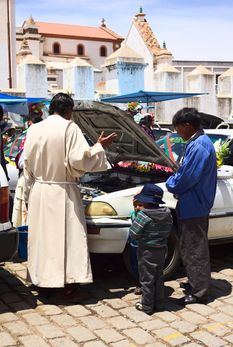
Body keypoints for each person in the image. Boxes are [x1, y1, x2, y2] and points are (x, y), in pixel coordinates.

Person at [23, 93, 117, 301]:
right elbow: (78, 161)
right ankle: (67, 284)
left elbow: (26, 162)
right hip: (62, 191)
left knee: (43, 239)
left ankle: (43, 283)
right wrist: (99, 147)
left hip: (39, 190)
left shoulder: (34, 128)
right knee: (67, 238)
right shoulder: (69, 127)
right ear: (69, 111)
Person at [166, 107, 217, 305]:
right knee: (189, 246)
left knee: (195, 248)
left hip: (195, 204)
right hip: (192, 203)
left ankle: (199, 292)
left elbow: (186, 177)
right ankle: (196, 283)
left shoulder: (199, 146)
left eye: (178, 128)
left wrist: (171, 183)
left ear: (187, 125)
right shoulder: (196, 143)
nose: (177, 132)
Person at [129, 183, 173, 315]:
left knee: (146, 278)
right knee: (159, 276)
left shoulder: (143, 215)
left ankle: (147, 305)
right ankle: (160, 303)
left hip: (146, 250)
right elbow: (169, 231)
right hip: (161, 249)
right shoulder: (167, 213)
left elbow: (133, 233)